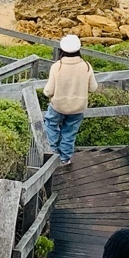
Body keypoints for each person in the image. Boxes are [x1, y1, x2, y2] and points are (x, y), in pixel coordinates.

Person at [39, 34, 94, 164]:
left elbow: (48, 91)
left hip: (58, 105)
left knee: (51, 126)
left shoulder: (57, 66)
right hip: (78, 107)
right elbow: (93, 87)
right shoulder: (86, 66)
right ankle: (65, 159)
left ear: (62, 49)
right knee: (69, 133)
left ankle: (51, 155)